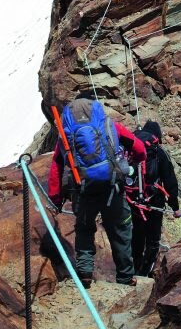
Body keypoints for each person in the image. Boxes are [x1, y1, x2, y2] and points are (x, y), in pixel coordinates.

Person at [48, 93, 146, 288]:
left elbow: (57, 165)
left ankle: (85, 274)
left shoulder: (66, 133)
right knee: (121, 229)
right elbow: (140, 148)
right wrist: (133, 162)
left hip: (82, 188)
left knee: (84, 229)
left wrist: (56, 197)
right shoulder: (108, 125)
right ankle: (126, 277)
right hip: (112, 186)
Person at [127, 120, 180, 277]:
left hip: (134, 199)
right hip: (154, 200)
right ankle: (145, 272)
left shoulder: (132, 148)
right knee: (153, 239)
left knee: (137, 235)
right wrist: (175, 207)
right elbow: (170, 181)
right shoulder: (157, 151)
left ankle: (134, 269)